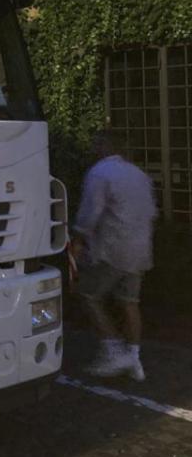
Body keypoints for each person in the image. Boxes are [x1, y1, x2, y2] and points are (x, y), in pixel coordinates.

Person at [71, 131, 157, 381]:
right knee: (129, 302)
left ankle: (113, 349)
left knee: (88, 294)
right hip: (140, 249)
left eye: (95, 144)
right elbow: (151, 212)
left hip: (112, 249)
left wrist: (77, 243)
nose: (92, 148)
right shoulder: (139, 174)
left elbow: (89, 214)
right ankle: (134, 357)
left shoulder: (99, 173)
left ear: (104, 147)